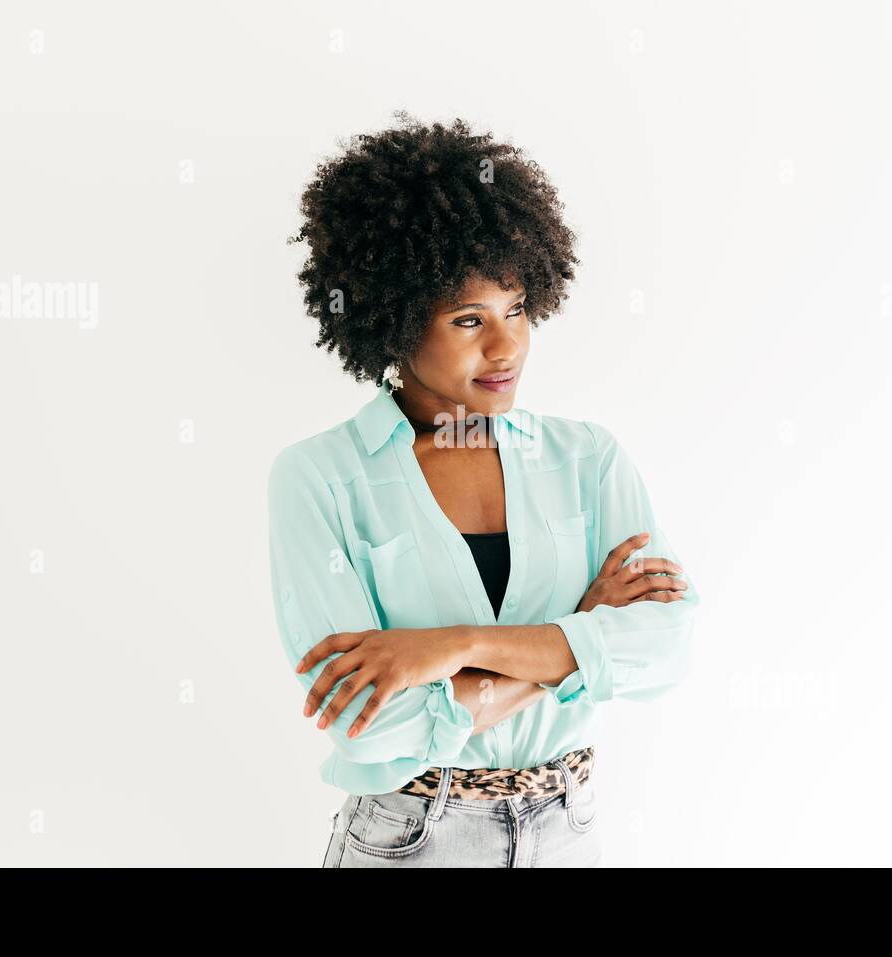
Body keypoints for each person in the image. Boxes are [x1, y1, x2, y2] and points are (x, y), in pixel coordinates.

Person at [268, 111, 701, 867]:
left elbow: (662, 648)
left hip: (569, 828)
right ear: (394, 322)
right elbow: (373, 729)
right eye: (469, 319)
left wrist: (451, 647)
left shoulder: (587, 460)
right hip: (412, 837)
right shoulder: (320, 479)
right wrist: (579, 636)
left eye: (517, 310)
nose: (507, 346)